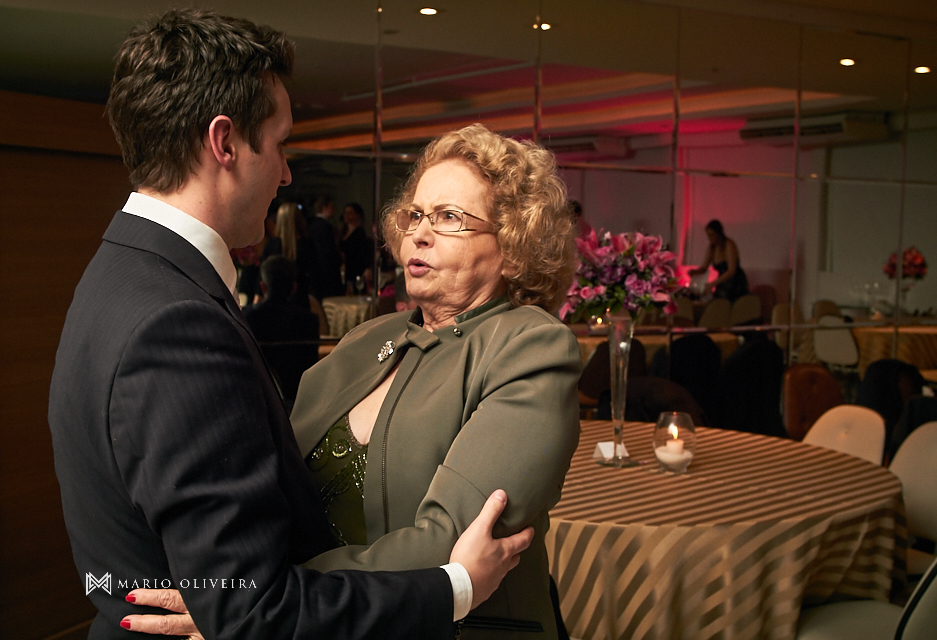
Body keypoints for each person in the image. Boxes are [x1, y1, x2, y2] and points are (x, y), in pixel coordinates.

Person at [46, 10, 531, 640]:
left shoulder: (118, 270)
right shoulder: (178, 325)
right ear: (224, 143)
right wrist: (455, 586)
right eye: (278, 144)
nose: (285, 172)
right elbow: (254, 611)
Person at [291, 123, 582, 638]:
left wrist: (271, 599)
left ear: (513, 245)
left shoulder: (532, 345)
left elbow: (445, 545)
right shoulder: (366, 339)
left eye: (449, 217)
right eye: (415, 215)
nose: (418, 234)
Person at [244, 256, 320, 408]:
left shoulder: (246, 318)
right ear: (293, 287)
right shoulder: (309, 321)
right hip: (300, 405)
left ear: (263, 287)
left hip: (257, 402)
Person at [262, 202, 323, 309]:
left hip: (274, 299)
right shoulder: (306, 244)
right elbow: (315, 275)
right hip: (300, 298)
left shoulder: (272, 244)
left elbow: (262, 273)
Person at [688, 219, 749, 301]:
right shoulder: (712, 247)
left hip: (735, 282)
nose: (710, 238)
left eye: (712, 235)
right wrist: (694, 272)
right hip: (722, 281)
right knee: (718, 301)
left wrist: (712, 284)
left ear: (718, 234)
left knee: (727, 302)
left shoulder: (728, 245)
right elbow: (704, 267)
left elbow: (731, 270)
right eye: (708, 235)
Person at [307, 194, 346, 298]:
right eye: (331, 207)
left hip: (316, 274)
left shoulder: (311, 226)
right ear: (324, 208)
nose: (333, 210)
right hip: (328, 275)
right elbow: (328, 252)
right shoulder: (325, 227)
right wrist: (339, 259)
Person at [340, 201, 374, 293]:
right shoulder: (342, 232)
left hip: (356, 268)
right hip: (345, 270)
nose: (346, 215)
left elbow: (365, 251)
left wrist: (367, 268)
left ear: (357, 215)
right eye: (345, 213)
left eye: (350, 213)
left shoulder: (359, 233)